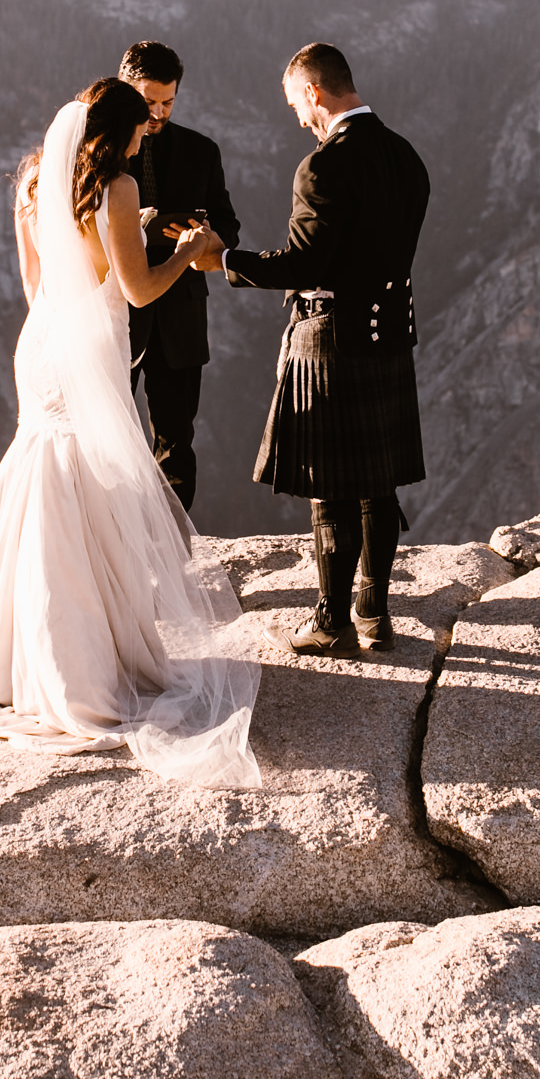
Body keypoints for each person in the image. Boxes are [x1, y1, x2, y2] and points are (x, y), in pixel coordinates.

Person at [0, 78, 263, 786]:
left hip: (44, 338)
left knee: (42, 470)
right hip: (91, 344)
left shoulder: (35, 179)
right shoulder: (113, 186)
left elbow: (34, 275)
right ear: (119, 132)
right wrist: (189, 249)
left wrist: (78, 298)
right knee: (84, 481)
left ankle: (4, 653)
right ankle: (83, 663)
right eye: (144, 125)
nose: (151, 133)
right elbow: (140, 288)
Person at [201, 43, 430, 656]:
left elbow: (306, 262)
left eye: (294, 105)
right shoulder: (406, 157)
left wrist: (222, 260)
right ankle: (375, 614)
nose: (298, 120)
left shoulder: (323, 167)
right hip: (387, 335)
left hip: (330, 337)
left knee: (332, 486)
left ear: (313, 93)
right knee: (379, 483)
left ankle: (331, 623)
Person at [118, 41, 240, 513]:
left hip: (181, 318)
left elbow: (229, 225)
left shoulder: (201, 151)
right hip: (117, 316)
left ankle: (175, 560)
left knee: (176, 447)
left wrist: (206, 238)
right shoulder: (99, 155)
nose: (158, 112)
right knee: (107, 442)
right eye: (148, 101)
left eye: (168, 101)